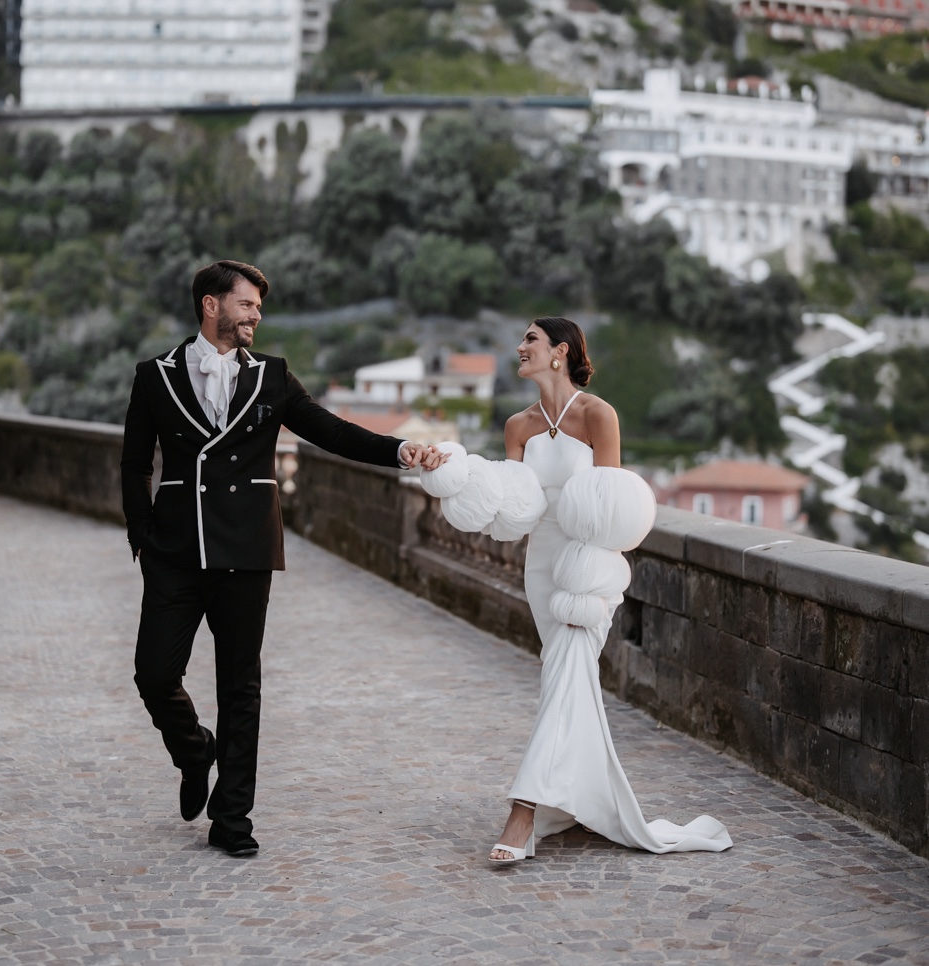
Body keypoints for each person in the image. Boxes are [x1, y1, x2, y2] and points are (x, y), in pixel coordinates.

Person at [121, 259, 442, 857]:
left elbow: (333, 432)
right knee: (154, 674)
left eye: (259, 309)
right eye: (247, 305)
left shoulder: (272, 376)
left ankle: (233, 819)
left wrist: (401, 449)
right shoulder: (155, 376)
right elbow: (135, 463)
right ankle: (196, 751)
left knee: (240, 685)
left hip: (245, 549)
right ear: (211, 305)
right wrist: (143, 534)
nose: (256, 317)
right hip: (176, 550)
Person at [422, 316, 731, 864]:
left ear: (559, 351)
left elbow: (609, 507)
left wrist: (592, 574)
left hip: (588, 567)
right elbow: (513, 504)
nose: (520, 348)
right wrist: (458, 474)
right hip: (540, 564)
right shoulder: (518, 426)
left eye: (531, 340)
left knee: (566, 670)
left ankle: (524, 812)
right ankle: (571, 802)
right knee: (565, 680)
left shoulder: (598, 414)